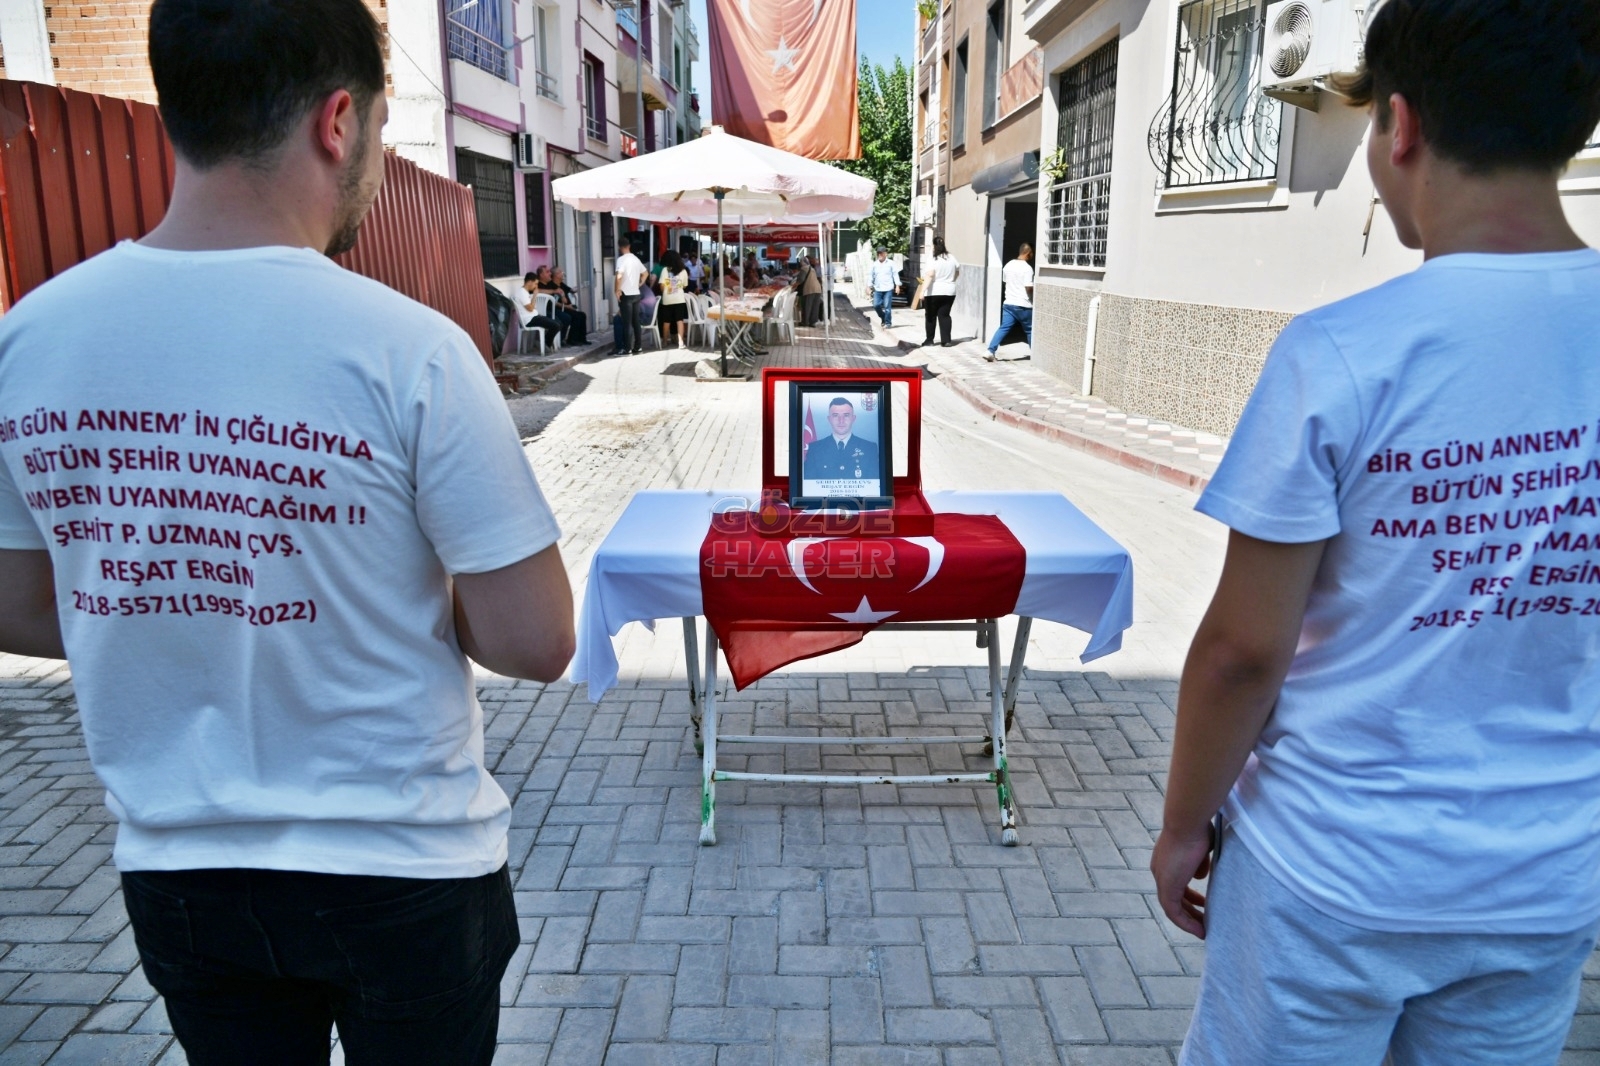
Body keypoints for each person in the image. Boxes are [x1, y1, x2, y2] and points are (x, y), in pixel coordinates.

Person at [0, 2, 577, 1063]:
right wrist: (370, 588)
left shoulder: (29, 342)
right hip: (403, 867)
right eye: (381, 131)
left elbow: (21, 604)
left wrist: (177, 587)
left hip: (183, 871)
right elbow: (536, 640)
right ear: (338, 120)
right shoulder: (413, 351)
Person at [1150, 2, 1600, 1063]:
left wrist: (1182, 825)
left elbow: (1241, 650)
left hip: (1332, 871)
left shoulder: (1342, 353)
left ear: (1402, 126)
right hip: (1545, 876)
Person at [802, 397, 879, 481]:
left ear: (853, 418)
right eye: (835, 415)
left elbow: (874, 483)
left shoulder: (869, 448)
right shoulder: (815, 449)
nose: (841, 421)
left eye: (846, 415)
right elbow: (809, 484)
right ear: (829, 419)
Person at [985, 243, 1032, 361]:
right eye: (1032, 253)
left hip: (1008, 303)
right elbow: (1028, 287)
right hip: (1023, 304)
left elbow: (1006, 282)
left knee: (1004, 328)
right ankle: (1035, 355)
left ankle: (990, 351)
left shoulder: (1008, 265)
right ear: (1028, 253)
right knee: (1030, 330)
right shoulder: (1027, 268)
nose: (1032, 256)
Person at [920, 237, 960, 347]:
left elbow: (930, 274)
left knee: (931, 316)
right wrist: (950, 281)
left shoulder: (932, 258)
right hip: (949, 291)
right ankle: (946, 341)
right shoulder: (951, 257)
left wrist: (922, 291)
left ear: (933, 246)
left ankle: (929, 340)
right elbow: (957, 272)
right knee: (945, 315)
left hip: (934, 291)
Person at [613, 237, 646, 355]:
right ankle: (638, 347)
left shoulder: (621, 260)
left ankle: (628, 349)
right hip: (636, 293)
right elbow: (645, 273)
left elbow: (619, 276)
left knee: (627, 323)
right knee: (636, 321)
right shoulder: (636, 259)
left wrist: (617, 290)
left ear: (619, 247)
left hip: (626, 294)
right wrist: (640, 283)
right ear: (629, 246)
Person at [516, 271, 563, 349]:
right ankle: (545, 344)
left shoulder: (525, 292)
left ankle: (544, 343)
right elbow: (530, 308)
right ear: (530, 282)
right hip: (529, 320)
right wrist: (535, 295)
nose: (536, 286)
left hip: (534, 317)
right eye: (535, 284)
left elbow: (531, 307)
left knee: (558, 323)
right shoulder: (521, 293)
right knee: (556, 325)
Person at [656, 250, 690, 349]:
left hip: (667, 299)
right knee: (679, 320)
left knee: (666, 321)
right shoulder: (683, 271)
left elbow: (662, 286)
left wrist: (667, 290)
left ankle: (665, 341)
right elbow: (684, 285)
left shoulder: (665, 270)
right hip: (679, 299)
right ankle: (681, 342)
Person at [550, 268, 588, 345]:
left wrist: (578, 287)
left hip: (568, 307)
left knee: (582, 315)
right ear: (556, 275)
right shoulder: (552, 286)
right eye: (560, 272)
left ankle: (582, 339)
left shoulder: (561, 284)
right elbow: (553, 302)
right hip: (560, 309)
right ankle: (572, 340)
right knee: (576, 316)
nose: (563, 273)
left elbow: (571, 290)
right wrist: (567, 306)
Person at [869, 247, 899, 328]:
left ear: (886, 254)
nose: (880, 255)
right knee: (876, 305)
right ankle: (883, 317)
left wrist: (897, 285)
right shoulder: (875, 264)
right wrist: (869, 286)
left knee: (887, 307)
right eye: (878, 253)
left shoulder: (891, 263)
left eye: (881, 253)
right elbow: (871, 276)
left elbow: (895, 274)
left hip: (888, 288)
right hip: (878, 289)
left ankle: (888, 323)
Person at [791, 253, 824, 327]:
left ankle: (805, 322)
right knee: (815, 306)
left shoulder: (804, 269)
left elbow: (801, 280)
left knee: (807, 306)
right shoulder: (812, 268)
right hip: (817, 289)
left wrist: (793, 286)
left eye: (800, 262)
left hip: (810, 289)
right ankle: (813, 322)